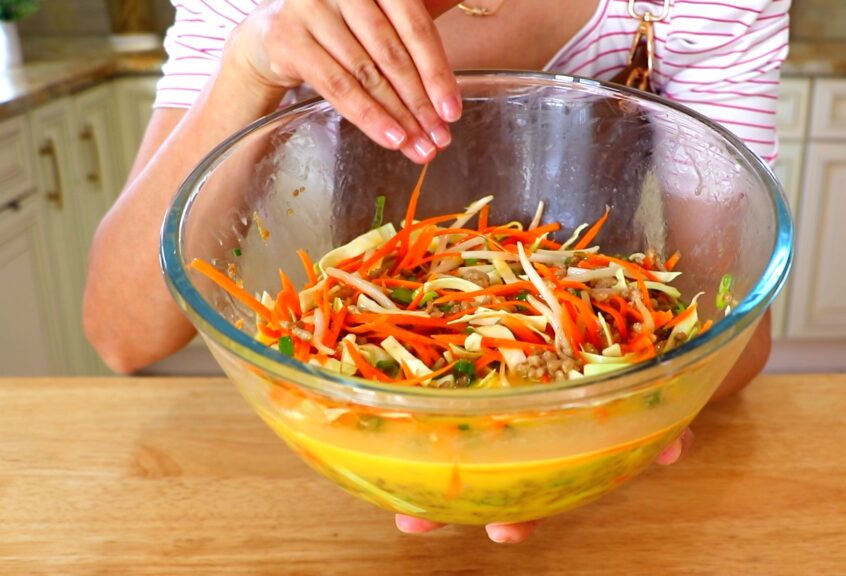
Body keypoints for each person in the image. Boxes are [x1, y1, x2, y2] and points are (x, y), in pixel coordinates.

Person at [83, 0, 790, 544]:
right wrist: (249, 67)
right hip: (331, 462)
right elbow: (122, 329)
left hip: (609, 488)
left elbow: (730, 334)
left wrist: (616, 402)